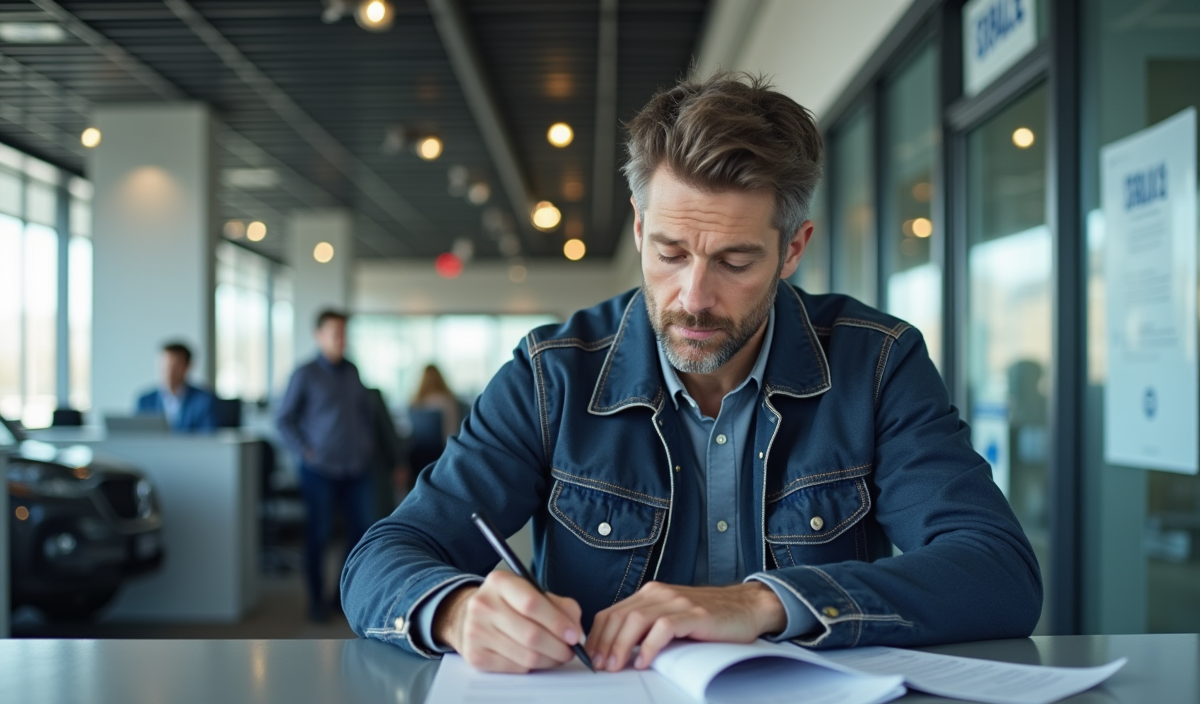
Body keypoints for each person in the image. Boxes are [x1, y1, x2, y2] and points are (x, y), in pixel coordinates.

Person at [341, 73, 1042, 673]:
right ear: (639, 228)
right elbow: (382, 557)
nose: (694, 298)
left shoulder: (879, 363)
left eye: (735, 262)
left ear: (793, 248)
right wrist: (457, 613)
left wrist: (762, 603)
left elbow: (999, 572)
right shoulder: (551, 377)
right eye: (671, 253)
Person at [277, 309, 376, 622]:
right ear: (318, 336)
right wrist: (305, 451)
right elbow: (283, 420)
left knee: (362, 532)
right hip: (319, 468)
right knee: (319, 535)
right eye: (334, 333)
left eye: (344, 333)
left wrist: (367, 444)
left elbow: (363, 414)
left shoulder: (352, 371)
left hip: (356, 466)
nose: (340, 339)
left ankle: (339, 598)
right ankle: (316, 602)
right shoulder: (304, 374)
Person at [135, 341, 217, 432]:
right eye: (164, 366)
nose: (168, 372)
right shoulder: (145, 401)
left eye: (174, 366)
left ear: (187, 366)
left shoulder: (204, 401)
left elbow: (207, 436)